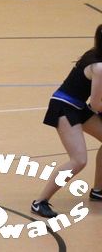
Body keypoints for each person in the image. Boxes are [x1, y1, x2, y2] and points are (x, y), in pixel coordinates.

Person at [31, 24, 102, 218]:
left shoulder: (95, 54)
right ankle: (40, 202)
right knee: (79, 160)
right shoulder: (99, 67)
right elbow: (96, 104)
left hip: (78, 105)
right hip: (64, 106)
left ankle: (98, 190)